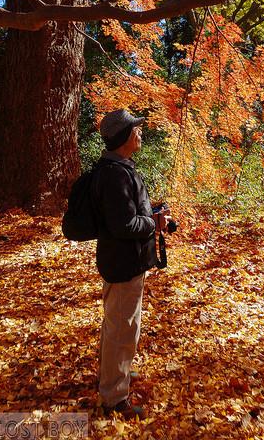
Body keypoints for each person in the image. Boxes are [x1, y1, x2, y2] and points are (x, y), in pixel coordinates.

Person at [95, 108, 171, 420]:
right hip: (123, 262)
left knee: (120, 325)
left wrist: (151, 211)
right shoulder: (115, 175)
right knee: (121, 328)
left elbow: (124, 216)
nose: (140, 132)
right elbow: (124, 225)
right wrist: (154, 222)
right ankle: (114, 396)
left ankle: (116, 375)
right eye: (136, 129)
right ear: (125, 137)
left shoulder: (119, 168)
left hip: (125, 262)